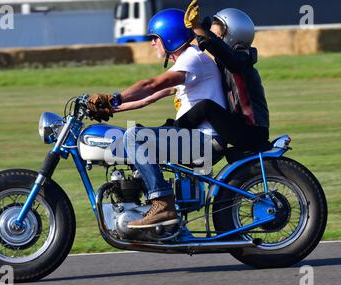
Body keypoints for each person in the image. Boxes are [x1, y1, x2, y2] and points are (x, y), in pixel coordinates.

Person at [87, 8, 228, 228]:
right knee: (133, 136)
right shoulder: (187, 63)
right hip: (197, 138)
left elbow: (151, 85)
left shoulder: (193, 59)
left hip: (205, 142)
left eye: (155, 38)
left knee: (135, 137)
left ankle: (162, 203)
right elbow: (147, 98)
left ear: (170, 36)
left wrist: (114, 98)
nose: (152, 43)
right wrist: (109, 109)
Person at [174, 0, 270, 151]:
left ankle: (171, 131)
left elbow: (227, 55)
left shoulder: (242, 58)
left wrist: (198, 27)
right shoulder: (227, 62)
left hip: (252, 132)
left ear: (231, 35)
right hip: (241, 127)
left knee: (206, 106)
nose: (210, 39)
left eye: (216, 36)